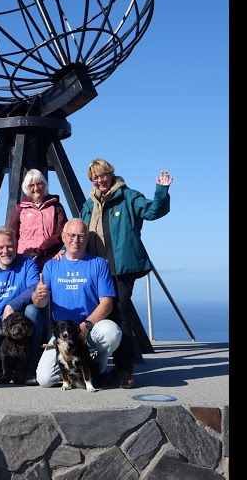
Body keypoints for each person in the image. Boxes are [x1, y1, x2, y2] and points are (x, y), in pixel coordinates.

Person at [80, 159, 172, 388]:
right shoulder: (89, 205)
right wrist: (64, 250)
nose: (100, 180)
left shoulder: (128, 197)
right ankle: (96, 366)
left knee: (120, 313)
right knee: (99, 313)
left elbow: (153, 211)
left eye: (103, 175)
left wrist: (161, 191)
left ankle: (125, 371)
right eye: (95, 178)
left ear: (111, 175)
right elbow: (79, 233)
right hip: (96, 270)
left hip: (121, 269)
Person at [31, 218, 124, 388]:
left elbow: (107, 303)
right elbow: (40, 303)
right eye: (71, 236)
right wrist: (39, 295)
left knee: (112, 333)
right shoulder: (51, 265)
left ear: (87, 238)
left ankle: (99, 366)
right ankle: (75, 371)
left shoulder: (98, 264)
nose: (76, 240)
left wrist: (85, 326)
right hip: (64, 333)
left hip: (91, 328)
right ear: (63, 237)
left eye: (81, 236)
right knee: (45, 380)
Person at [0, 226, 45, 383]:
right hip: (1, 329)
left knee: (32, 311)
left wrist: (12, 305)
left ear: (16, 245)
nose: (5, 251)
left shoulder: (27, 264)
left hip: (23, 328)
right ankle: (8, 369)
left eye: (9, 246)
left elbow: (34, 287)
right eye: (1, 247)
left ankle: (32, 366)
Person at [7, 169, 67, 262]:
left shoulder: (56, 207)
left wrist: (40, 251)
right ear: (27, 188)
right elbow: (12, 235)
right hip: (25, 260)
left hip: (50, 258)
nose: (36, 188)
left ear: (44, 185)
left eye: (39, 184)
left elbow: (62, 232)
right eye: (31, 185)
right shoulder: (20, 209)